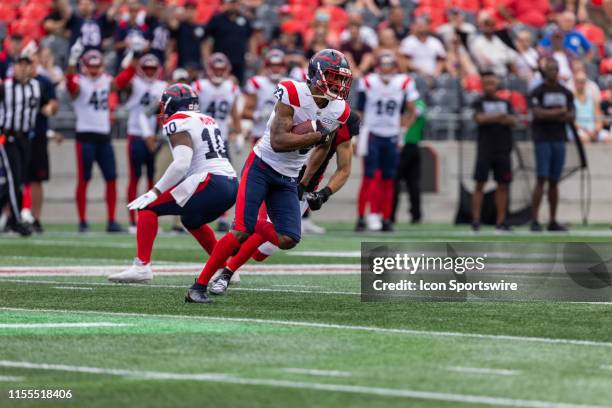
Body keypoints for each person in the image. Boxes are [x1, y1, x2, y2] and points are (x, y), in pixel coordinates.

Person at [185, 49, 352, 303]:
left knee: (288, 239)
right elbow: (278, 141)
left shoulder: (339, 109)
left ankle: (248, 222)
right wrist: (316, 133)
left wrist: (305, 182)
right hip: (262, 167)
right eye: (333, 77)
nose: (339, 84)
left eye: (342, 79)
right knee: (241, 232)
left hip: (288, 177)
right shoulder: (293, 92)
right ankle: (198, 286)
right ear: (317, 75)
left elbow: (324, 147)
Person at [209, 112, 360, 295]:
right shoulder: (297, 107)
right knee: (273, 231)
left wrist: (324, 193)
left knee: (262, 251)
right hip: (278, 176)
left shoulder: (344, 121)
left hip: (304, 187)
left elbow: (344, 168)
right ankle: (227, 272)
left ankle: (246, 225)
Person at [108, 84, 238, 283]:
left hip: (210, 181)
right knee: (191, 220)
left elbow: (181, 164)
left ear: (171, 104)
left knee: (147, 208)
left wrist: (154, 191)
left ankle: (141, 267)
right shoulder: (208, 119)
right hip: (230, 184)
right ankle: (225, 269)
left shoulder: (178, 120)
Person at [355, 51, 418, 232]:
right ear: (378, 66)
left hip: (391, 134)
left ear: (395, 67)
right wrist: (357, 135)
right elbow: (360, 111)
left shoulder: (404, 82)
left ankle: (386, 218)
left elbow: (412, 111)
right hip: (372, 133)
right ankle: (361, 217)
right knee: (368, 177)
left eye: (390, 65)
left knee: (389, 179)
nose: (386, 68)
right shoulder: (368, 81)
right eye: (384, 64)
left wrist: (403, 132)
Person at [65, 44, 123, 233]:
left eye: (97, 66)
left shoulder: (107, 80)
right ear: (84, 66)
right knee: (84, 179)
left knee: (111, 178)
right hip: (85, 137)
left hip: (104, 137)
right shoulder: (79, 81)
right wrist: (71, 63)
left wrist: (133, 59)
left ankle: (111, 220)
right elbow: (70, 85)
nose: (94, 70)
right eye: (91, 66)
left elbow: (121, 83)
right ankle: (82, 220)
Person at [0, 48, 56, 236]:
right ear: (14, 67)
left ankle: (10, 218)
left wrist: (51, 109)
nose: (23, 69)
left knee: (15, 182)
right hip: (7, 137)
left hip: (26, 139)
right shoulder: (5, 87)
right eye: (20, 65)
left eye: (27, 65)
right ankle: (16, 221)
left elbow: (48, 105)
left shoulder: (36, 87)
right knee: (15, 179)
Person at [115, 53, 167, 233]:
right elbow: (119, 84)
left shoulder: (163, 86)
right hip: (136, 135)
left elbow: (164, 113)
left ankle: (149, 219)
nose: (150, 72)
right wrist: (131, 62)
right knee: (134, 177)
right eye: (147, 68)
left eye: (153, 68)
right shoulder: (134, 82)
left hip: (154, 137)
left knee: (153, 181)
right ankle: (132, 221)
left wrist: (160, 133)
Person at [192, 52, 242, 232]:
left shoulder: (231, 88)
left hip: (222, 140)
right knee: (198, 178)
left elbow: (234, 113)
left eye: (222, 69)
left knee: (226, 180)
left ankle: (222, 217)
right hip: (201, 139)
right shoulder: (199, 86)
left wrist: (239, 134)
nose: (219, 72)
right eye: (216, 69)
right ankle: (195, 213)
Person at [528, 57, 575, 232]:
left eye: (555, 69)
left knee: (554, 180)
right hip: (542, 138)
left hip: (559, 138)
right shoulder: (537, 92)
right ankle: (534, 220)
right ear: (544, 71)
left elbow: (571, 115)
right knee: (541, 178)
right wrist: (559, 112)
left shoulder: (566, 92)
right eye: (550, 69)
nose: (553, 72)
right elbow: (538, 114)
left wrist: (553, 114)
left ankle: (552, 220)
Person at [471, 71, 517, 232]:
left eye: (493, 82)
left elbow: (513, 120)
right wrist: (499, 116)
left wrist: (494, 117)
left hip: (503, 149)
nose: (490, 86)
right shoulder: (479, 102)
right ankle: (476, 220)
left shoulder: (506, 102)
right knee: (479, 183)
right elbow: (479, 119)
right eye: (487, 83)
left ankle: (501, 221)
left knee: (503, 185)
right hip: (485, 149)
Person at [21, 48, 61, 233]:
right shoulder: (14, 83)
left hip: (37, 136)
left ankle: (35, 218)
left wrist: (51, 108)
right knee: (15, 178)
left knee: (37, 178)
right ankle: (14, 215)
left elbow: (53, 105)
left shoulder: (43, 83)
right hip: (18, 134)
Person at [242, 49, 287, 145]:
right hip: (260, 134)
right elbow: (245, 111)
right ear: (267, 66)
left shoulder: (289, 83)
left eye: (279, 65)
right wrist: (258, 115)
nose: (276, 69)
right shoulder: (257, 83)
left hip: (283, 135)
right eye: (273, 65)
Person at [203, 0, 253, 84]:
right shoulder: (217, 19)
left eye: (236, 3)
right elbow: (206, 39)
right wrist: (207, 57)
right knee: (218, 86)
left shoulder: (245, 20)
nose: (233, 6)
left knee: (238, 86)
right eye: (231, 3)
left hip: (239, 61)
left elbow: (251, 37)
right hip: (219, 63)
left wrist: (251, 54)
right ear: (226, 4)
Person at [393, 98, 426, 225]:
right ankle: (415, 215)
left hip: (406, 146)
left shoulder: (417, 104)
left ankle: (391, 216)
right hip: (411, 147)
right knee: (413, 184)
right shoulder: (419, 103)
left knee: (400, 183)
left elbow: (413, 114)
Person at [469, 11, 517, 78]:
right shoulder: (477, 43)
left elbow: (511, 54)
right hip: (489, 74)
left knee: (513, 63)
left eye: (491, 25)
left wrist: (502, 59)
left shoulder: (496, 39)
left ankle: (515, 79)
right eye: (487, 26)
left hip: (503, 71)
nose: (489, 28)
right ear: (482, 27)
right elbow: (487, 62)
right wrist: (503, 59)